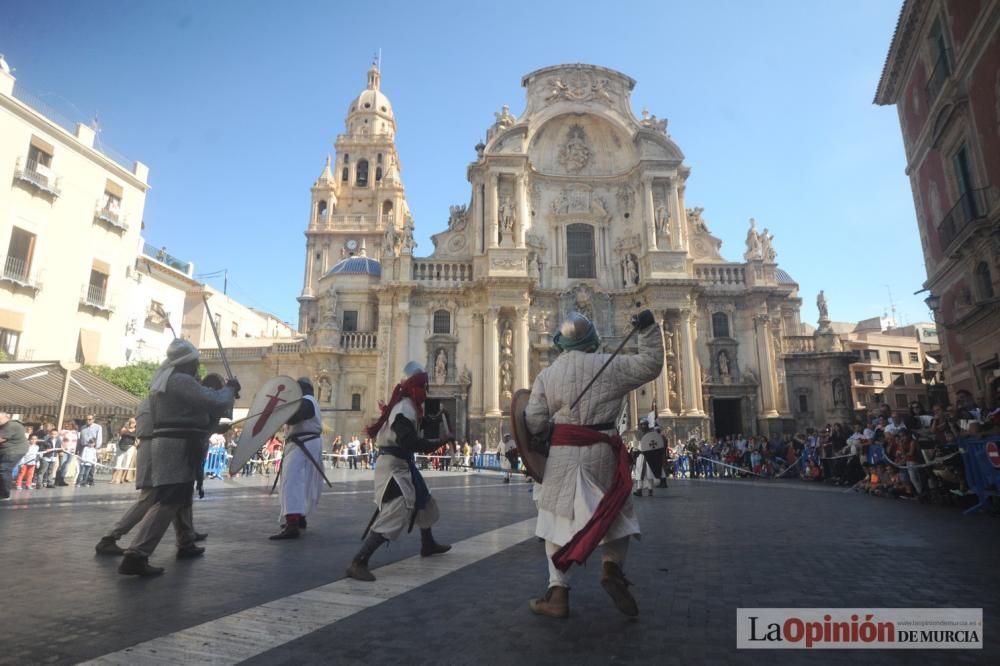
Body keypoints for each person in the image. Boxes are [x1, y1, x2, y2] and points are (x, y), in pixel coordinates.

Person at [523, 310, 663, 619]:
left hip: (562, 455)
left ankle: (557, 594)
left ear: (561, 342)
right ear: (592, 339)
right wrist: (649, 329)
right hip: (603, 453)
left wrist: (543, 432)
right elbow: (651, 364)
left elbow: (532, 421)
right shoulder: (610, 365)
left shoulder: (548, 374)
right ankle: (611, 568)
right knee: (615, 512)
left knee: (555, 520)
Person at [117, 339, 237, 576]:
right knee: (169, 500)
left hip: (176, 444)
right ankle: (137, 554)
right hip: (177, 446)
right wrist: (230, 389)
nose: (197, 367)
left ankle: (184, 542)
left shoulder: (169, 381)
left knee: (177, 498)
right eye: (195, 362)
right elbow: (215, 402)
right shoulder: (180, 380)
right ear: (188, 362)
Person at [346, 362, 451, 582]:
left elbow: (413, 426)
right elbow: (409, 439)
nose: (426, 391)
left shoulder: (407, 406)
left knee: (424, 500)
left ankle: (427, 543)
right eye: (424, 386)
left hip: (402, 463)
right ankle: (359, 561)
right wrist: (437, 442)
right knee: (396, 509)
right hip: (393, 466)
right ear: (415, 386)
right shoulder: (404, 408)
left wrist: (433, 418)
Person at [270, 377, 325, 540]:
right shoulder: (310, 401)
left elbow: (295, 417)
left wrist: (279, 411)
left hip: (303, 444)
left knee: (292, 482)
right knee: (304, 482)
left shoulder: (306, 401)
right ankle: (299, 518)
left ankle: (293, 523)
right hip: (305, 443)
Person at [633, 419, 667, 496]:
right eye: (642, 425)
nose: (643, 426)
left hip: (649, 456)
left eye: (644, 424)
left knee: (649, 474)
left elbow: (655, 445)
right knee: (639, 474)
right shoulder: (640, 434)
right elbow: (639, 445)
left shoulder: (652, 434)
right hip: (641, 456)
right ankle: (639, 490)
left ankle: (650, 490)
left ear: (647, 425)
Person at [0, 412, 29, 500]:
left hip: (13, 451)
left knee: (4, 469)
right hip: (6, 451)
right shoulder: (4, 425)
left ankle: (5, 494)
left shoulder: (11, 425)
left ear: (6, 417)